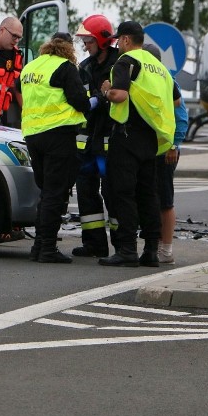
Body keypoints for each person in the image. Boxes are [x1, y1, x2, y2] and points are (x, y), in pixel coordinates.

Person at [98, 22, 175, 267]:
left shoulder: (126, 61)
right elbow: (173, 102)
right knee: (148, 194)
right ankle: (151, 251)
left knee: (123, 193)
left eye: (118, 39)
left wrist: (106, 91)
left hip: (128, 135)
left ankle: (128, 250)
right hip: (152, 138)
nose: (117, 44)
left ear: (127, 40)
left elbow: (120, 95)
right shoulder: (161, 68)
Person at [19, 32, 90, 263]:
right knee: (55, 192)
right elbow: (80, 100)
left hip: (32, 135)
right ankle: (48, 248)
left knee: (46, 191)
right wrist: (96, 99)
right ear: (68, 48)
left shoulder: (30, 67)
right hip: (58, 134)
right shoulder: (66, 67)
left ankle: (39, 246)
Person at [71, 15, 119, 258]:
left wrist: (100, 99)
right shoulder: (85, 67)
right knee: (86, 193)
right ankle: (94, 244)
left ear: (101, 40)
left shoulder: (119, 64)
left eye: (88, 41)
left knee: (114, 193)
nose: (85, 46)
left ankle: (122, 246)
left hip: (111, 142)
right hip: (89, 143)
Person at [142, 43, 189, 265]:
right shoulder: (155, 80)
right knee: (152, 197)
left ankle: (166, 248)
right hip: (151, 148)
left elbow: (181, 117)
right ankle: (157, 243)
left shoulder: (168, 81)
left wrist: (174, 145)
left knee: (165, 199)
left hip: (166, 149)